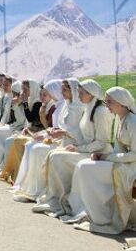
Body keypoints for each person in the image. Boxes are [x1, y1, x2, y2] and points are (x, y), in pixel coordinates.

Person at [57, 87, 136, 234]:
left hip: (131, 166)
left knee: (86, 168)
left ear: (121, 103)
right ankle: (92, 211)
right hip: (120, 161)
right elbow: (119, 149)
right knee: (83, 165)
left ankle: (102, 215)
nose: (106, 105)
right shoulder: (120, 118)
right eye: (106, 101)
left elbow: (134, 155)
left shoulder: (133, 121)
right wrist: (104, 158)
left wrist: (106, 157)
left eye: (110, 102)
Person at [32, 79, 112, 216]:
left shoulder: (100, 112)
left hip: (97, 153)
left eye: (81, 93)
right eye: (78, 92)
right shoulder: (88, 108)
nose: (78, 96)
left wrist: (78, 148)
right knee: (54, 155)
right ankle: (56, 198)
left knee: (57, 157)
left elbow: (101, 142)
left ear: (91, 94)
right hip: (86, 149)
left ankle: (61, 199)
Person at [12, 78, 83, 202]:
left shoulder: (71, 107)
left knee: (37, 149)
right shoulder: (62, 105)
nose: (61, 93)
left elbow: (68, 131)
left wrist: (48, 134)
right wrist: (47, 133)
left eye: (64, 90)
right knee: (31, 145)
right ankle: (30, 187)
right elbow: (55, 128)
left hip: (67, 143)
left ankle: (38, 189)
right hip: (59, 139)